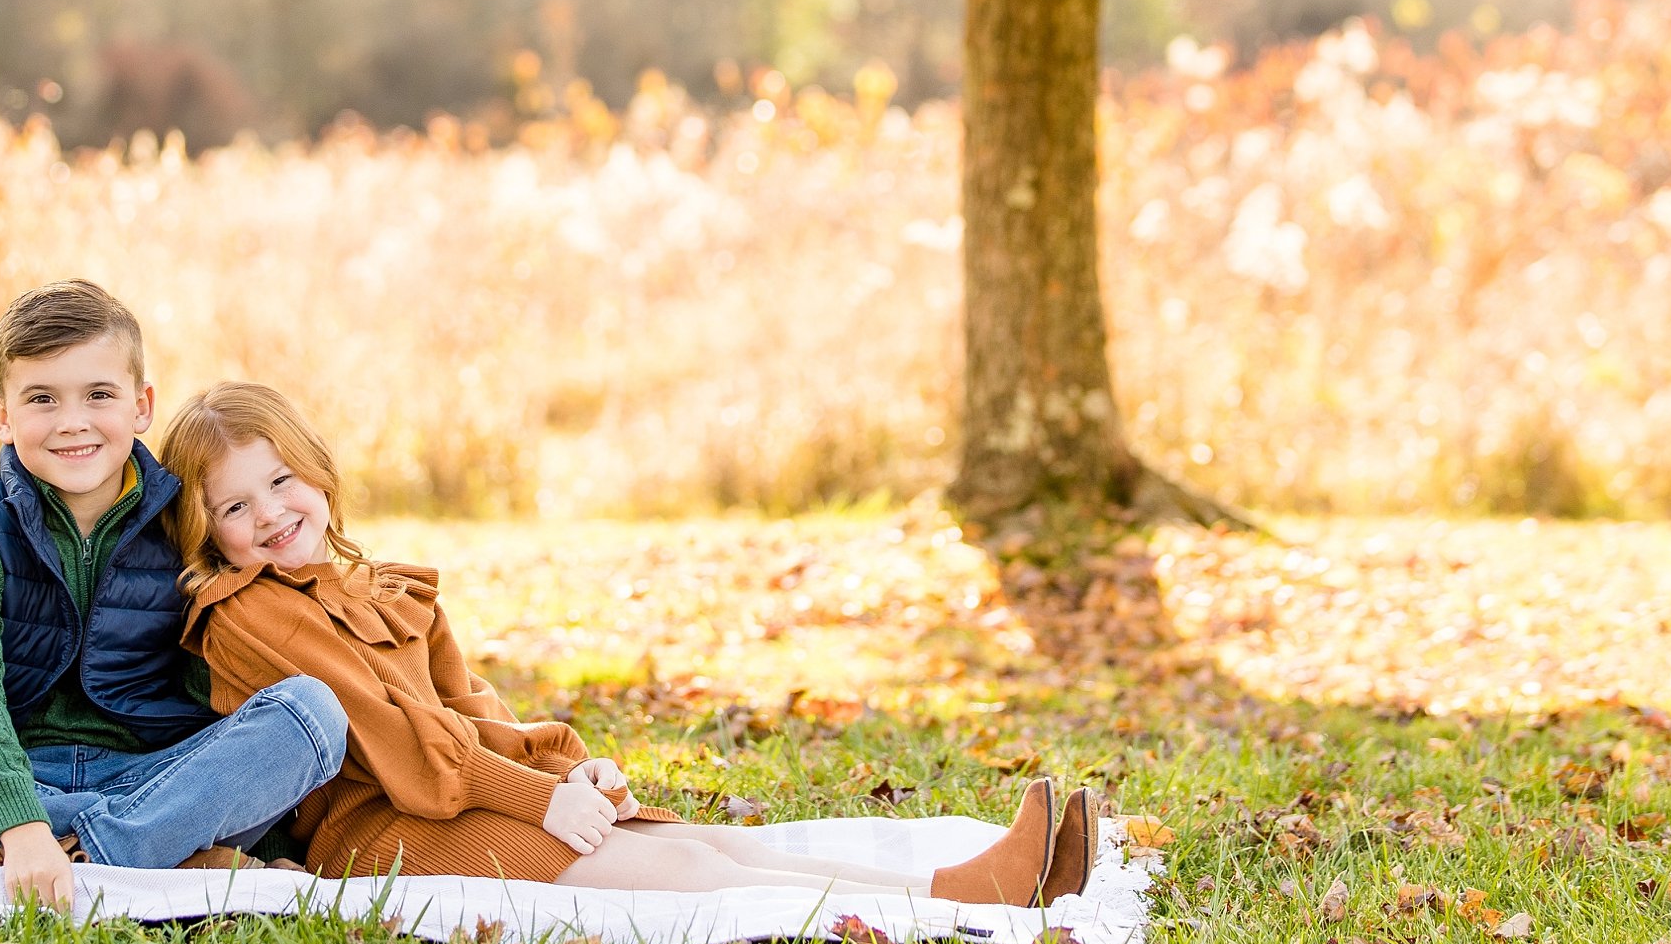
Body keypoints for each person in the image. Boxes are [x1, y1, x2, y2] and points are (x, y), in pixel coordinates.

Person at [163, 382, 1094, 904]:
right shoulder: (251, 611)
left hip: (451, 792)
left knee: (708, 840)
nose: (271, 514)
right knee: (684, 870)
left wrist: (566, 768)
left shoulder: (389, 586)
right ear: (210, 530)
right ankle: (960, 901)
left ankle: (959, 884)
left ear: (318, 472)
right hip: (374, 828)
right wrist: (539, 802)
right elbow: (396, 741)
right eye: (235, 506)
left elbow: (471, 707)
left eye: (282, 480)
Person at [0, 285, 348, 907]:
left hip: (156, 768)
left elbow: (250, 609)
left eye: (99, 395)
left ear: (141, 404)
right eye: (42, 399)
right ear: (3, 415)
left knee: (311, 714)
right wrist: (21, 823)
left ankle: (28, 861)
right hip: (16, 770)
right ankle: (159, 858)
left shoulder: (183, 517)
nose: (73, 422)